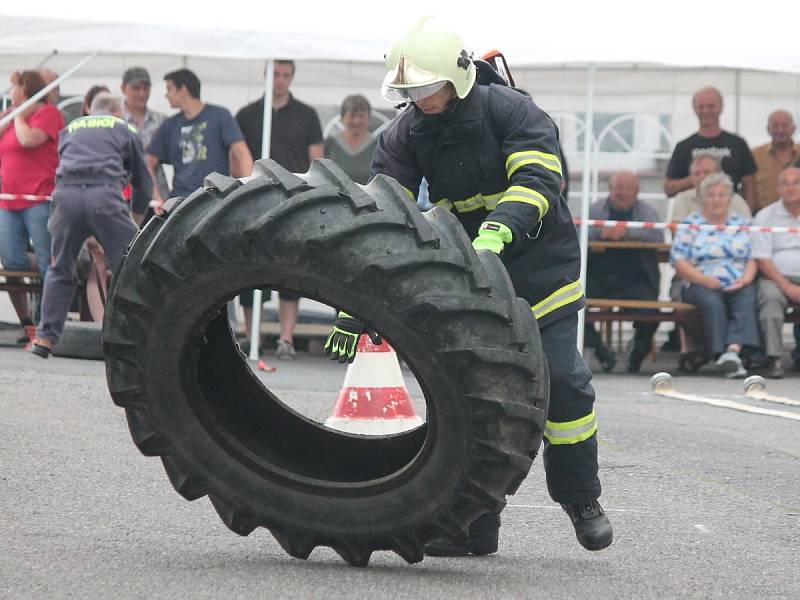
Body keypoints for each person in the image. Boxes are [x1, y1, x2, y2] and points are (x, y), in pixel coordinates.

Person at [326, 17, 612, 554]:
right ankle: (473, 525)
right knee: (472, 396)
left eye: (425, 89)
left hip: (539, 270)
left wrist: (500, 229)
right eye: (408, 91)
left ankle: (580, 498)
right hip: (472, 277)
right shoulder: (403, 135)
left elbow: (539, 180)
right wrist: (354, 303)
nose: (417, 100)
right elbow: (388, 218)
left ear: (457, 79)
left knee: (564, 384)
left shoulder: (514, 111)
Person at [30, 94, 152, 357]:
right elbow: (143, 182)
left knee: (60, 266)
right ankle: (135, 338)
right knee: (131, 266)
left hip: (65, 197)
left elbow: (63, 162)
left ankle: (45, 339)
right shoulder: (125, 128)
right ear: (118, 111)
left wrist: (84, 224)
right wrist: (137, 220)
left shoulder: (70, 128)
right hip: (104, 196)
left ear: (91, 110)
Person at [235, 60, 323, 359]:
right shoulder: (246, 115)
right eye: (275, 74)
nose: (280, 80)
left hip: (295, 197)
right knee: (249, 265)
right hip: (255, 196)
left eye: (285, 75)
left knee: (291, 266)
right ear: (266, 75)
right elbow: (237, 156)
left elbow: (317, 159)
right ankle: (250, 336)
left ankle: (286, 339)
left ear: (292, 78)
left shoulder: (307, 115)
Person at [671, 173, 760, 377]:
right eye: (711, 195)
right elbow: (679, 261)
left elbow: (753, 257)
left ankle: (733, 352)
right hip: (699, 281)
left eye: (722, 195)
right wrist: (704, 280)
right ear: (702, 198)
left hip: (738, 279)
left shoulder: (743, 223)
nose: (717, 200)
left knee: (747, 296)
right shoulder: (690, 224)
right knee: (713, 302)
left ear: (730, 198)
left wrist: (746, 279)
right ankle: (720, 353)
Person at [0, 70, 64, 346]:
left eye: (15, 88)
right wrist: (12, 116)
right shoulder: (14, 115)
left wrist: (18, 116)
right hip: (9, 200)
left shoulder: (48, 114)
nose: (10, 93)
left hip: (38, 200)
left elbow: (28, 140)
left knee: (49, 262)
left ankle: (47, 327)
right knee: (12, 261)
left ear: (26, 90)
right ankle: (28, 324)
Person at [585, 171, 663, 373]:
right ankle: (600, 351)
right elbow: (576, 231)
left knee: (652, 312)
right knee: (571, 305)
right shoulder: (595, 210)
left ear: (637, 192)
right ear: (610, 190)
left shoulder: (647, 212)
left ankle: (637, 351)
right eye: (618, 188)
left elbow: (658, 235)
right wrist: (601, 234)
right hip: (598, 278)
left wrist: (627, 233)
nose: (623, 193)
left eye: (628, 189)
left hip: (636, 280)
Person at [146, 68, 253, 207]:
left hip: (216, 201)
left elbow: (242, 153)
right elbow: (148, 162)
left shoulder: (220, 116)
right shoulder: (170, 125)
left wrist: (248, 191)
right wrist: (157, 198)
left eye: (169, 89)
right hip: (181, 204)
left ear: (183, 89)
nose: (166, 95)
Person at [664, 87, 756, 206]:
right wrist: (697, 178)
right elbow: (669, 189)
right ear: (694, 109)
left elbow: (750, 186)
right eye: (701, 107)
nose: (706, 111)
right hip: (693, 212)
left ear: (721, 107)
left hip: (730, 214)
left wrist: (746, 217)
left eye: (711, 106)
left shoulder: (738, 144)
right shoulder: (683, 146)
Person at [751, 167, 800, 378]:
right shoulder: (765, 216)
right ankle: (774, 358)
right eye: (785, 183)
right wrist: (787, 286)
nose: (791, 187)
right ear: (778, 188)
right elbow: (762, 258)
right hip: (776, 276)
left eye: (796, 182)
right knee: (769, 297)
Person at [120, 67, 169, 203]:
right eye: (136, 88)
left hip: (159, 198)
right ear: (123, 88)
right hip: (125, 195)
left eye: (146, 88)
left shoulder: (161, 120)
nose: (142, 93)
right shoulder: (115, 120)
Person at [670, 155, 751, 223]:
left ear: (718, 173)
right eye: (697, 173)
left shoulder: (736, 200)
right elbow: (676, 230)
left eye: (706, 172)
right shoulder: (682, 198)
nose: (701, 176)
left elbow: (749, 229)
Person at [751, 110, 800, 214]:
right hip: (764, 220)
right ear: (768, 129)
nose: (780, 130)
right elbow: (749, 187)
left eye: (785, 125)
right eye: (775, 125)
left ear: (794, 129)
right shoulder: (755, 155)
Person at [324, 94, 377, 185]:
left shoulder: (378, 145)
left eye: (361, 116)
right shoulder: (329, 144)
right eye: (352, 116)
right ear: (342, 118)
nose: (356, 121)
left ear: (369, 118)